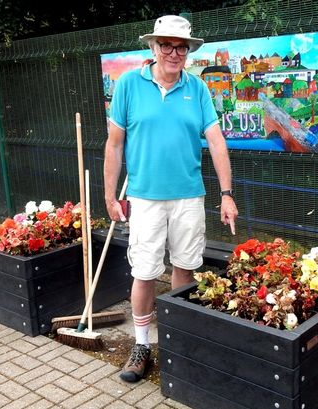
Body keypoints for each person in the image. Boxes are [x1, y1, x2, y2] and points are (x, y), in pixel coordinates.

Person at [103, 15, 238, 383]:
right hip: (144, 199)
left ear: (188, 52)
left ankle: (179, 340)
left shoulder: (198, 89)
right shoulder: (129, 85)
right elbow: (114, 145)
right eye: (166, 44)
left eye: (181, 47)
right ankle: (142, 345)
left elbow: (216, 142)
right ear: (153, 47)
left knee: (185, 268)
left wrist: (226, 194)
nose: (173, 53)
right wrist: (110, 195)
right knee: (145, 272)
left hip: (188, 198)